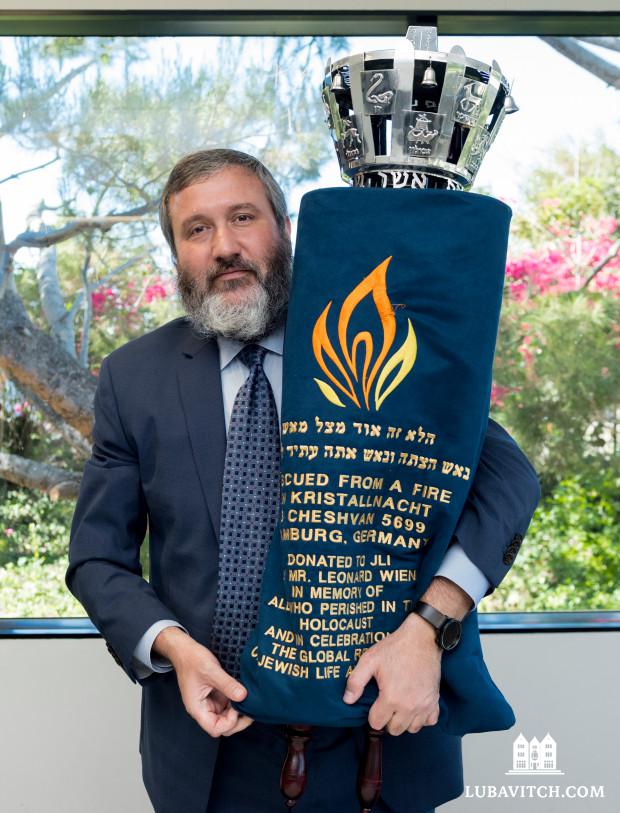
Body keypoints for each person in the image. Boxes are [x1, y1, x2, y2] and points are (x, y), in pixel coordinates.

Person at [66, 149, 541, 813]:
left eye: (243, 217)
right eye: (197, 229)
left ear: (285, 228)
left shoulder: (374, 337)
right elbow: (97, 560)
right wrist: (173, 646)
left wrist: (430, 624)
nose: (226, 246)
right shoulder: (133, 377)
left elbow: (508, 482)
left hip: (381, 736)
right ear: (176, 253)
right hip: (211, 748)